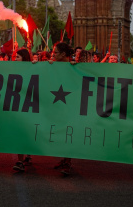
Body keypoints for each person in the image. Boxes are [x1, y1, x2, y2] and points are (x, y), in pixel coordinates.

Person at [51, 42, 74, 175]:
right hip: (57, 104)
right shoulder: (52, 66)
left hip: (70, 105)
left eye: (56, 53)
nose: (53, 55)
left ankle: (68, 161)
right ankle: (64, 158)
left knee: (68, 132)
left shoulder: (74, 67)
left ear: (64, 54)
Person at [12, 48, 34, 172]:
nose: (15, 59)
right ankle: (20, 161)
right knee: (19, 133)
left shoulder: (33, 68)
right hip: (17, 106)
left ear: (24, 58)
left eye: (18, 57)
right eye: (15, 57)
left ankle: (28, 154)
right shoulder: (13, 69)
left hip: (30, 106)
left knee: (27, 133)